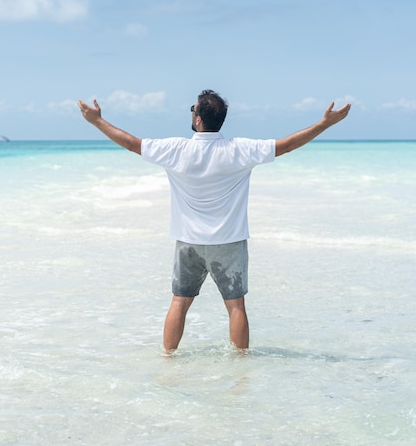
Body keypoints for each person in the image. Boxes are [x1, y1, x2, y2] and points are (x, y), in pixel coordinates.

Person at [78, 90, 350, 353]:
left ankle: (168, 361)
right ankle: (241, 370)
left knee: (179, 302)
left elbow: (131, 143)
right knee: (236, 307)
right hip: (228, 242)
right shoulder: (239, 150)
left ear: (198, 119)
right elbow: (287, 145)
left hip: (188, 242)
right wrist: (324, 124)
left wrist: (97, 121)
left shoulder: (175, 149)